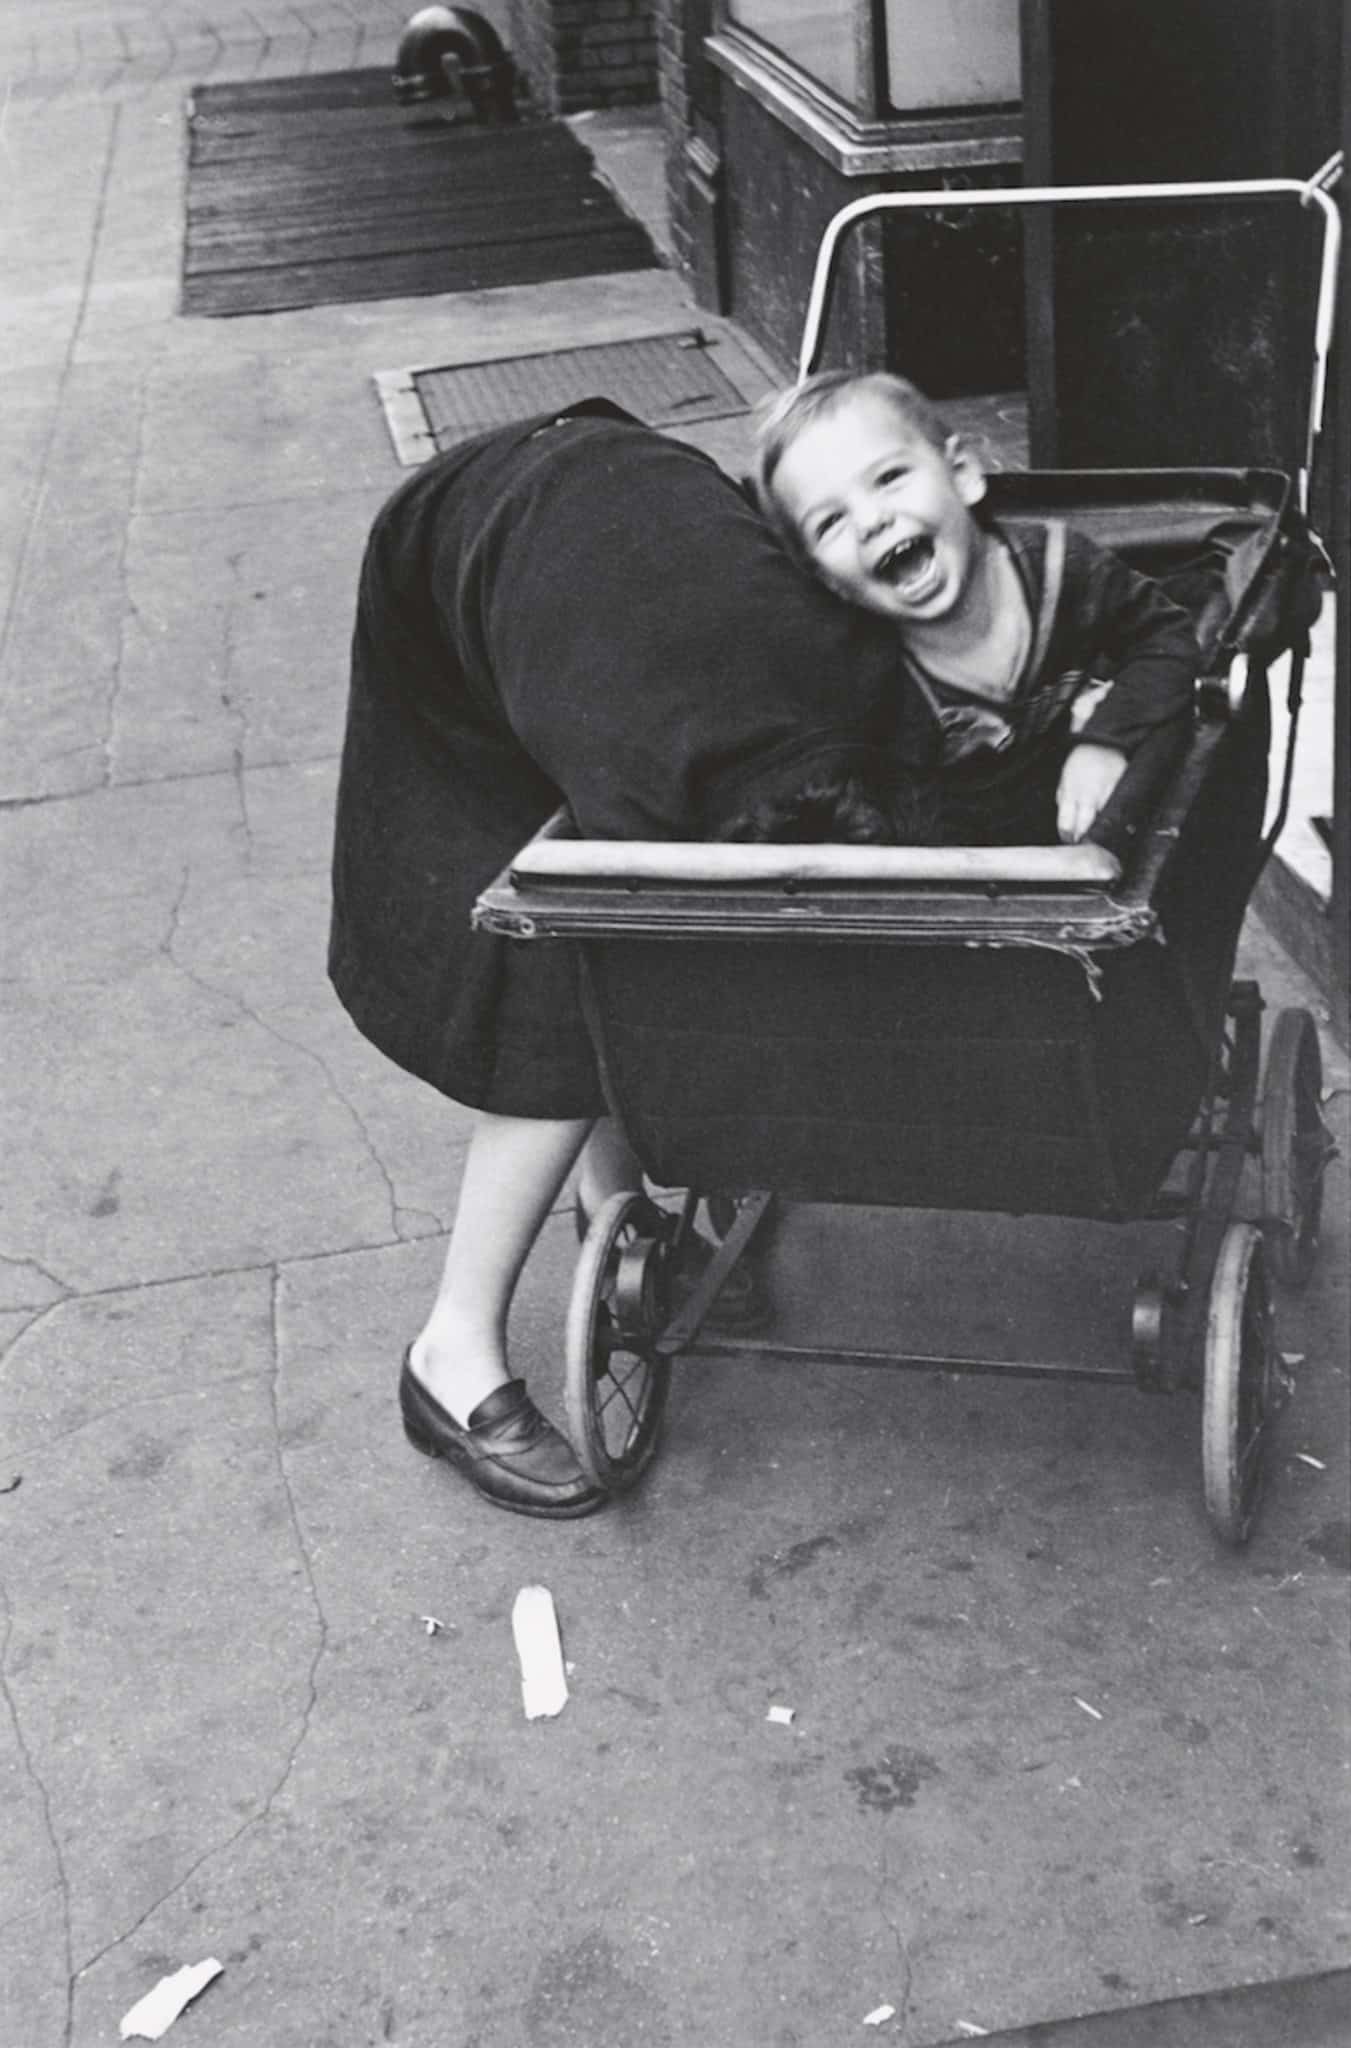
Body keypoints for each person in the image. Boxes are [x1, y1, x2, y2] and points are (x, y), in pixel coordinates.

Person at [329, 399, 929, 1520]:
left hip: (626, 515)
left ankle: (619, 1212)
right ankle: (448, 1356)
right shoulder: (640, 761)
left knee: (617, 962)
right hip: (459, 549)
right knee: (560, 980)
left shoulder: (855, 681)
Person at [753, 371, 1199, 848]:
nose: (870, 520)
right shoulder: (872, 676)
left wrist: (1106, 739)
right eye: (830, 522)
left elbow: (1167, 636)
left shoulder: (1060, 566)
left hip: (1104, 824)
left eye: (889, 478)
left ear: (962, 474)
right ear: (827, 580)